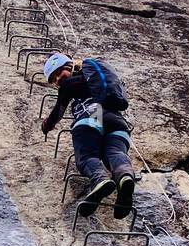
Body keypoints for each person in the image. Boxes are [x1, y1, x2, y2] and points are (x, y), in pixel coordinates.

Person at [41, 52, 136, 220]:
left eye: (58, 74)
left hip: (93, 114)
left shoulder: (70, 84)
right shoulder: (101, 84)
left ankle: (99, 180)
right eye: (53, 80)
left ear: (69, 66)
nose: (57, 80)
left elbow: (58, 112)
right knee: (115, 153)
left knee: (86, 156)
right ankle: (125, 177)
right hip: (117, 121)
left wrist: (46, 125)